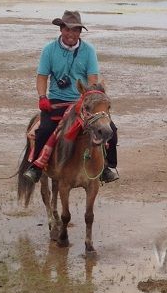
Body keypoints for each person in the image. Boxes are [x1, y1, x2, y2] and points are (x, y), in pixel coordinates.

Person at [22, 10, 119, 184]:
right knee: (43, 130)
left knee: (111, 129)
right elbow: (42, 77)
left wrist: (87, 99)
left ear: (80, 32)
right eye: (67, 29)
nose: (71, 34)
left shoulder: (89, 51)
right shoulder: (49, 50)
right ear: (61, 29)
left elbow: (92, 80)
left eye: (75, 30)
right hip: (56, 101)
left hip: (82, 101)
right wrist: (42, 97)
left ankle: (107, 167)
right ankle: (36, 168)